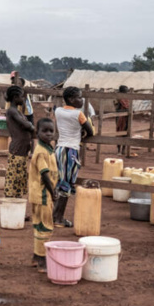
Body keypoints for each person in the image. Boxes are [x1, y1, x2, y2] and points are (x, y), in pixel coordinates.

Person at [54, 86, 94, 228]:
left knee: (59, 182)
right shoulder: (79, 114)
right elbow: (90, 132)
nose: (81, 99)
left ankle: (54, 214)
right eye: (79, 97)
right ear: (71, 99)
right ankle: (58, 218)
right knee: (66, 185)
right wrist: (82, 133)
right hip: (71, 150)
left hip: (58, 150)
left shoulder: (58, 111)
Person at [29, 118, 59, 273]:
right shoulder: (41, 152)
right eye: (44, 131)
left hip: (41, 193)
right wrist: (53, 192)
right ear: (37, 133)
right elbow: (45, 175)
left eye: (51, 131)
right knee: (45, 226)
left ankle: (36, 257)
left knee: (39, 225)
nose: (48, 134)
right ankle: (41, 260)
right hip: (43, 194)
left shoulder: (48, 148)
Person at [4, 85, 34, 198]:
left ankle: (17, 206)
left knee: (19, 177)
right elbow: (26, 125)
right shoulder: (12, 111)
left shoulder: (17, 111)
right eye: (22, 97)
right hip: (17, 149)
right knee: (13, 179)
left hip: (22, 149)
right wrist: (31, 125)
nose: (24, 99)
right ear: (15, 97)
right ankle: (11, 206)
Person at [114, 85, 130, 154]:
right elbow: (116, 107)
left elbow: (128, 107)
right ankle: (119, 149)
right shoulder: (118, 99)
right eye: (125, 92)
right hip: (119, 117)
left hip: (126, 117)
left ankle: (123, 149)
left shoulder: (127, 99)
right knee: (119, 131)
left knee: (126, 132)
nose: (126, 93)